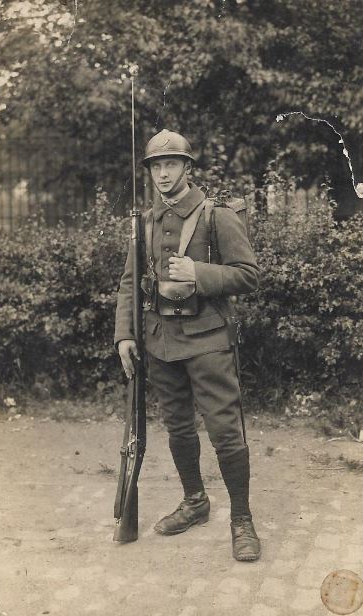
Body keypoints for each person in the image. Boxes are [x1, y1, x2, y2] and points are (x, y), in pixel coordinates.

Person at [114, 129, 261, 561]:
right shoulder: (144, 223)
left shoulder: (217, 214)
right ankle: (195, 502)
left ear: (187, 168)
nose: (163, 173)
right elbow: (129, 283)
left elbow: (249, 275)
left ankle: (242, 520)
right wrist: (125, 334)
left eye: (171, 164)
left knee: (224, 430)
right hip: (159, 341)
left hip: (209, 339)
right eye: (156, 166)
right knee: (178, 427)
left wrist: (198, 271)